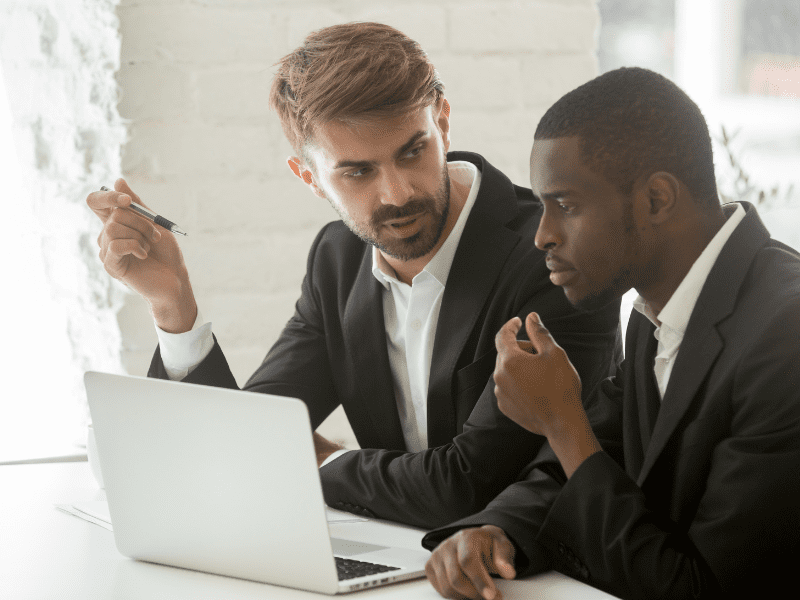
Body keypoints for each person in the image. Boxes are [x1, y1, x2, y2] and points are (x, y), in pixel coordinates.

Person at [87, 23, 620, 528]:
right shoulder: (337, 260)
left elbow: (465, 488)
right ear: (309, 177)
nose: (398, 193)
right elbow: (246, 440)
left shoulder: (549, 260)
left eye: (413, 151)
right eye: (357, 171)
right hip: (404, 558)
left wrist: (320, 463)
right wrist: (173, 303)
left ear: (444, 119)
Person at [423, 67, 800, 600]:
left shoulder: (786, 337)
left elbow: (699, 589)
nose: (542, 236)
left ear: (656, 199)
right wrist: (493, 530)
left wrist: (562, 420)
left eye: (566, 206)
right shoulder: (661, 307)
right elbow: (593, 455)